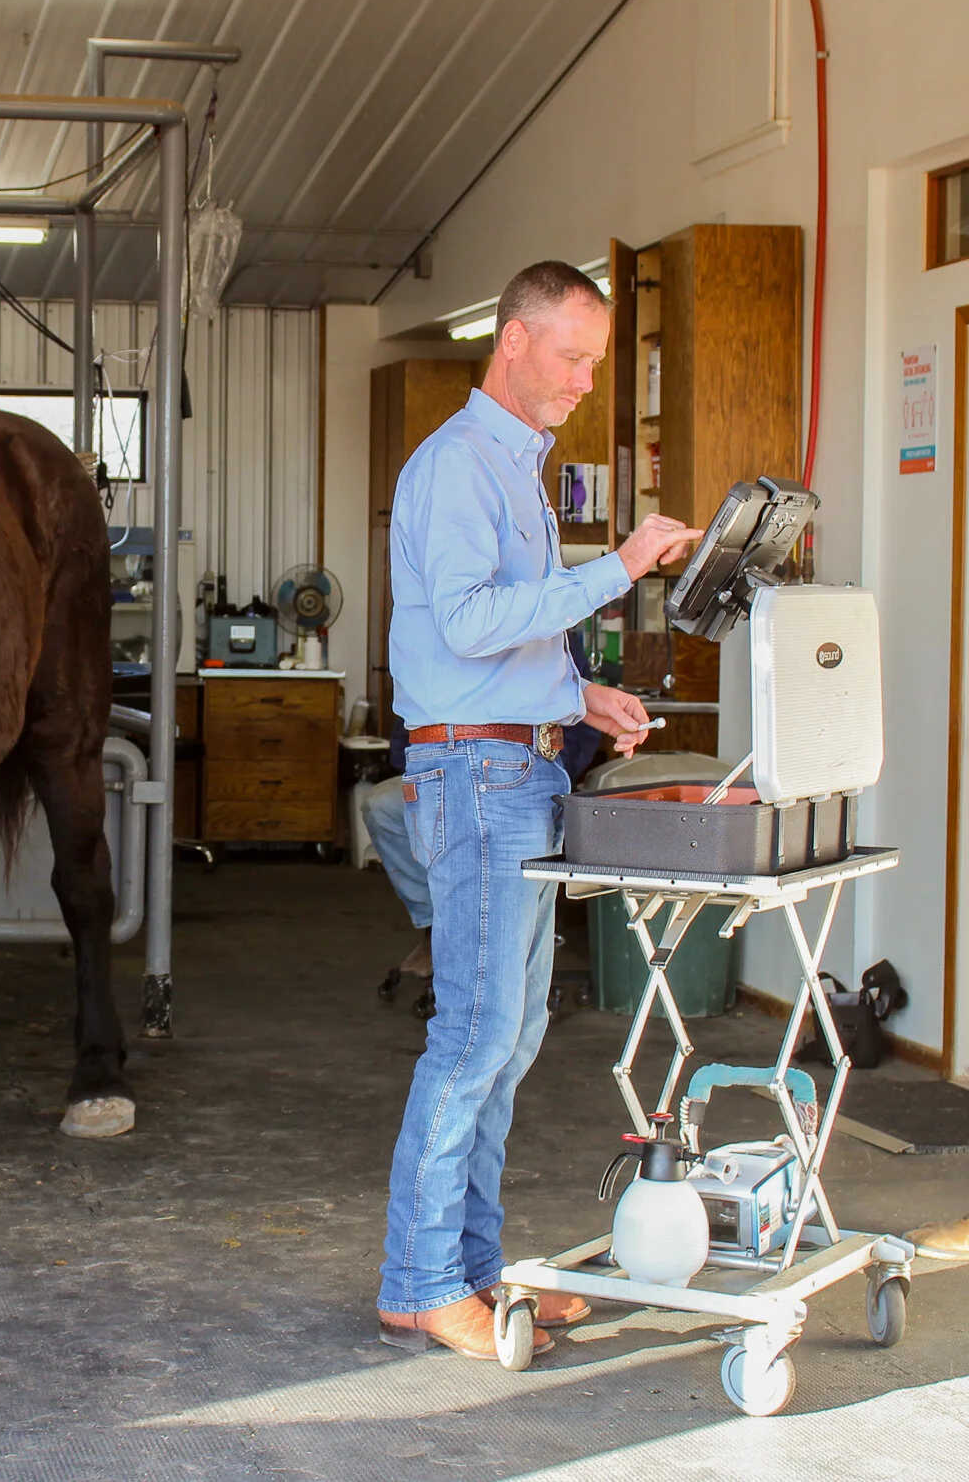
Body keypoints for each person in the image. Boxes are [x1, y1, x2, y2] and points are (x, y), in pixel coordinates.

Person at [375, 262, 702, 1363]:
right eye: (569, 356)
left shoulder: (515, 470)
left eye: (594, 362)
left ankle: (467, 1268)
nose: (580, 380)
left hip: (513, 766)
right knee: (470, 1036)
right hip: (475, 780)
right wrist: (613, 567)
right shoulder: (460, 466)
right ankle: (418, 1281)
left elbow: (494, 642)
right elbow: (467, 624)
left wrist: (574, 693)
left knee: (506, 1039)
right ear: (509, 340)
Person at [365, 635, 607, 989]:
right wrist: (420, 763)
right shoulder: (457, 614)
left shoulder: (555, 620)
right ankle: (436, 926)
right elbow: (411, 706)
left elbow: (580, 716)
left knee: (508, 976)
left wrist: (549, 769)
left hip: (527, 768)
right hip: (443, 760)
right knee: (380, 807)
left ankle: (477, 945)